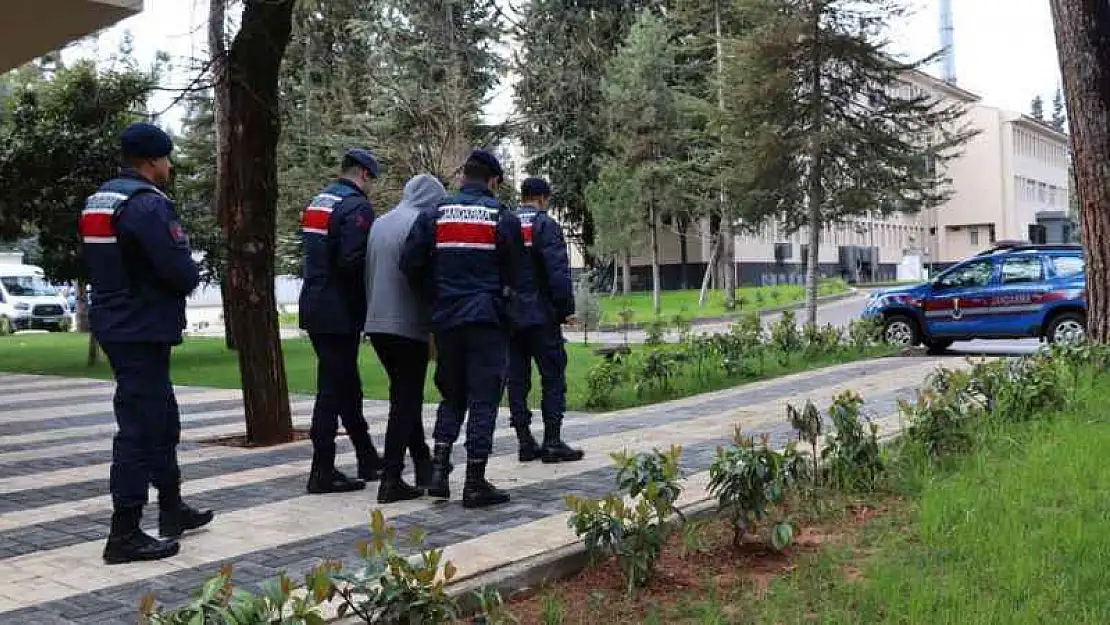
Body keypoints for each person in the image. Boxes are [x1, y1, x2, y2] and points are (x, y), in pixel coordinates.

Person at [79, 122, 212, 564]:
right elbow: (180, 271)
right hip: (141, 325)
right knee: (139, 428)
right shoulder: (146, 205)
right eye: (167, 160)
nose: (170, 167)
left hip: (118, 322)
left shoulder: (102, 199)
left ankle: (171, 509)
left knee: (162, 416)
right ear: (153, 162)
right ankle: (124, 532)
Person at [400, 149, 523, 509]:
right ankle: (474, 481)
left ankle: (438, 472)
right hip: (486, 320)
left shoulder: (434, 214)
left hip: (448, 321)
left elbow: (410, 263)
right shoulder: (500, 216)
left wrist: (434, 297)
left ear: (462, 177)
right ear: (493, 181)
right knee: (483, 399)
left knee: (452, 395)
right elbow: (515, 275)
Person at [298, 149, 383, 494]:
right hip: (339, 310)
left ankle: (367, 456)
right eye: (371, 180)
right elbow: (353, 261)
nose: (371, 188)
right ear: (363, 174)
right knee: (333, 390)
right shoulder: (355, 207)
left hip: (316, 303)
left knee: (346, 386)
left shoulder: (321, 201)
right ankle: (322, 470)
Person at [364, 174, 447, 503]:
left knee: (404, 396)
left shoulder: (381, 222)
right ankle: (392, 477)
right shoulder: (421, 224)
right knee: (405, 402)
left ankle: (423, 466)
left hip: (377, 322)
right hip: (406, 324)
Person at [505, 178, 584, 463]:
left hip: (511, 315)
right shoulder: (545, 224)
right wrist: (566, 309)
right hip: (541, 314)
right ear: (541, 198)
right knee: (552, 376)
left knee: (517, 380)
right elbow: (557, 271)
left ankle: (525, 440)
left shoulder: (506, 222)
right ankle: (552, 440)